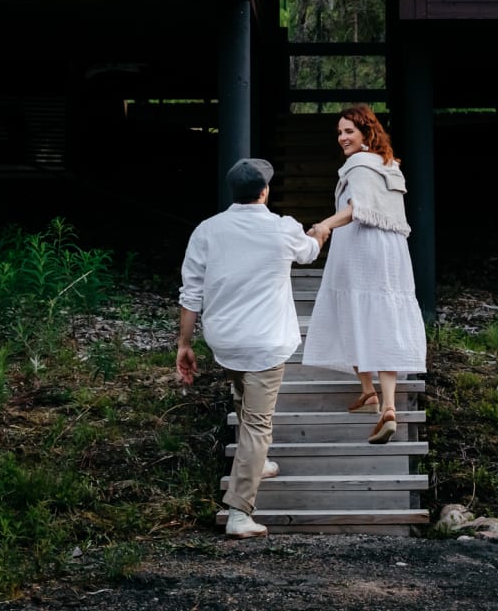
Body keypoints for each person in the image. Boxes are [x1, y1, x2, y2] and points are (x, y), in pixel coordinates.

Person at [176, 157, 324, 539]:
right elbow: (309, 252)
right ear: (264, 192)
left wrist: (184, 343)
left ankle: (259, 462)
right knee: (258, 423)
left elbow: (191, 292)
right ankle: (240, 511)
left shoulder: (207, 230)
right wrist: (319, 233)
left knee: (243, 397)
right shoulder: (283, 228)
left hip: (225, 340)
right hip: (266, 343)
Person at [299, 104, 427, 444]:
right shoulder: (390, 166)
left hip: (359, 248)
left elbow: (355, 210)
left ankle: (375, 396)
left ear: (366, 133)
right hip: (391, 252)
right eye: (339, 133)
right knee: (383, 316)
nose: (342, 138)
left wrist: (324, 224)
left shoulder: (358, 165)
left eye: (348, 131)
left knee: (352, 312)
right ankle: (380, 401)